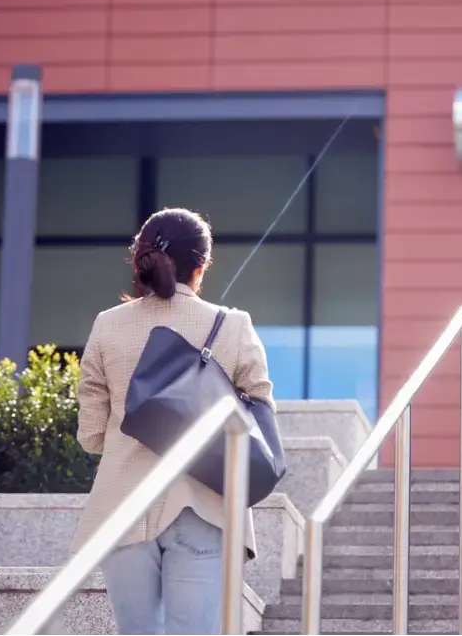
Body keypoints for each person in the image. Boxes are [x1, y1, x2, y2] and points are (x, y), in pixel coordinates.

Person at [72, 207, 275, 636]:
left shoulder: (106, 327)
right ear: (200, 267)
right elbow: (260, 409)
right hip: (203, 505)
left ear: (140, 260)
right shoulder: (233, 326)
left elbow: (91, 437)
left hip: (122, 508)